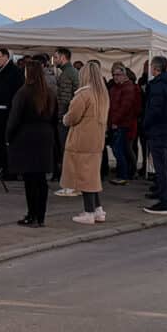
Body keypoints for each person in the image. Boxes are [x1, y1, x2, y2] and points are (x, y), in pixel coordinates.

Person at [6, 57, 59, 227]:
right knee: (41, 179)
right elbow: (55, 118)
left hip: (27, 137)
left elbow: (14, 118)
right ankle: (40, 216)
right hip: (45, 137)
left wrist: (8, 137)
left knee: (30, 179)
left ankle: (32, 215)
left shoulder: (23, 93)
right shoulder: (50, 93)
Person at [63, 60, 109, 224]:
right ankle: (98, 210)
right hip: (96, 140)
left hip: (81, 141)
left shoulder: (83, 95)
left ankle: (89, 212)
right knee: (92, 177)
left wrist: (65, 119)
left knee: (85, 179)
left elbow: (72, 117)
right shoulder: (102, 94)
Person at [142, 56, 167, 214]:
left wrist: (145, 124)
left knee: (161, 168)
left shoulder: (157, 86)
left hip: (158, 131)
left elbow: (154, 110)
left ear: (155, 68)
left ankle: (165, 202)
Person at [51, 48, 81, 195]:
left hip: (66, 118)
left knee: (67, 151)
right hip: (69, 117)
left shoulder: (67, 74)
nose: (54, 60)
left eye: (56, 57)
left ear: (63, 58)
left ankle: (70, 184)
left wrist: (61, 117)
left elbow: (65, 99)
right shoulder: (70, 72)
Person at [107, 63, 142, 183]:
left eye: (118, 74)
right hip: (118, 123)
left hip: (123, 124)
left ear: (124, 75)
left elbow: (125, 107)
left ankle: (123, 175)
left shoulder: (128, 88)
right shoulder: (116, 88)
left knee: (120, 149)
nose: (115, 77)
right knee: (120, 149)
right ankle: (124, 173)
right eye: (114, 75)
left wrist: (115, 121)